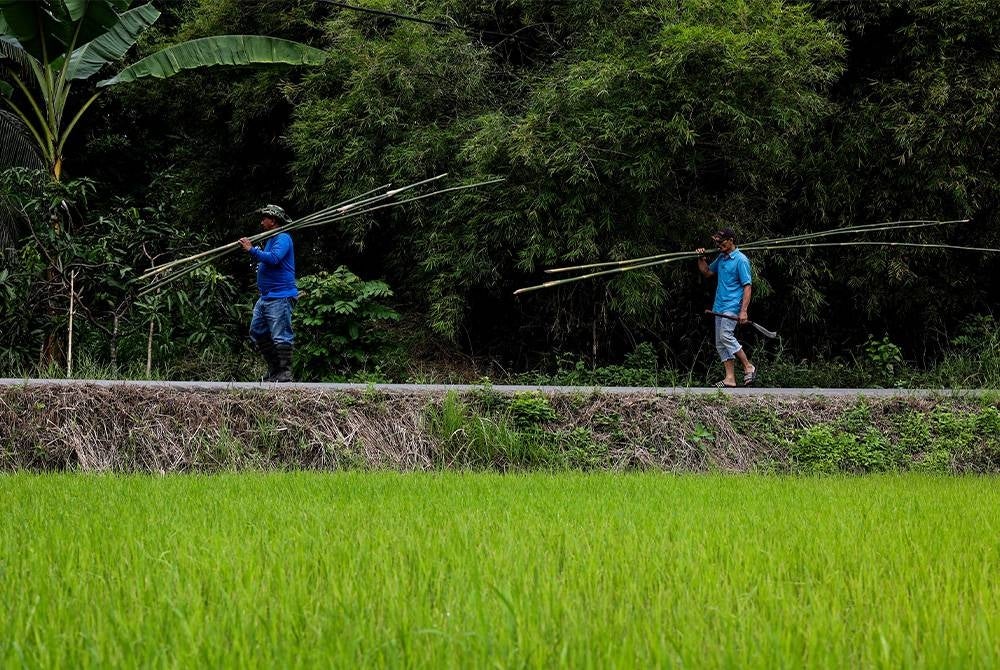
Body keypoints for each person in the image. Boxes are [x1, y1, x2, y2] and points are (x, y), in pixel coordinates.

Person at [239, 205, 297, 383]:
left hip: (280, 295)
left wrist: (252, 250)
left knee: (280, 334)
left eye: (264, 218)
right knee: (257, 330)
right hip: (266, 296)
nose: (261, 221)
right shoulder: (270, 238)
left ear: (273, 220)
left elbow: (274, 259)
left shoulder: (283, 238)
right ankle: (275, 369)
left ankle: (284, 372)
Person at [696, 227, 758, 388]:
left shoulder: (741, 260)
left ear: (731, 241)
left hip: (733, 305)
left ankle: (748, 366)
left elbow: (747, 286)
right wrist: (701, 258)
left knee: (725, 335)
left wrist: (743, 311)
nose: (718, 244)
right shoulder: (722, 258)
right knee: (720, 342)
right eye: (716, 242)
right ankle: (730, 378)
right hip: (719, 306)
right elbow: (707, 272)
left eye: (721, 241)